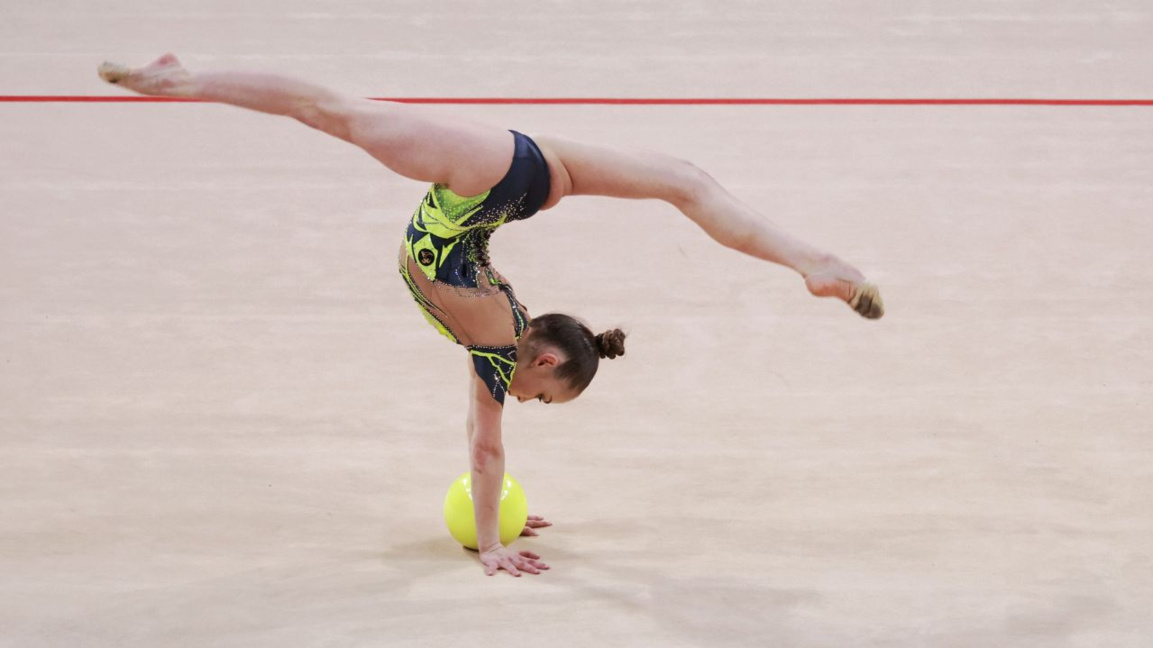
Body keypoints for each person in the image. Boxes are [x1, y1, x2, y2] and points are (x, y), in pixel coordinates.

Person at [97, 54, 885, 578]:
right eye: (543, 396)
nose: (527, 405)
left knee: (683, 177)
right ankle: (181, 78)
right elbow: (483, 452)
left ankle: (814, 263)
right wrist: (491, 550)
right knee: (329, 110)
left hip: (520, 181)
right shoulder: (495, 342)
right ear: (540, 363)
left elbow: (489, 453)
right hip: (484, 181)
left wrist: (499, 524)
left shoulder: (508, 324)